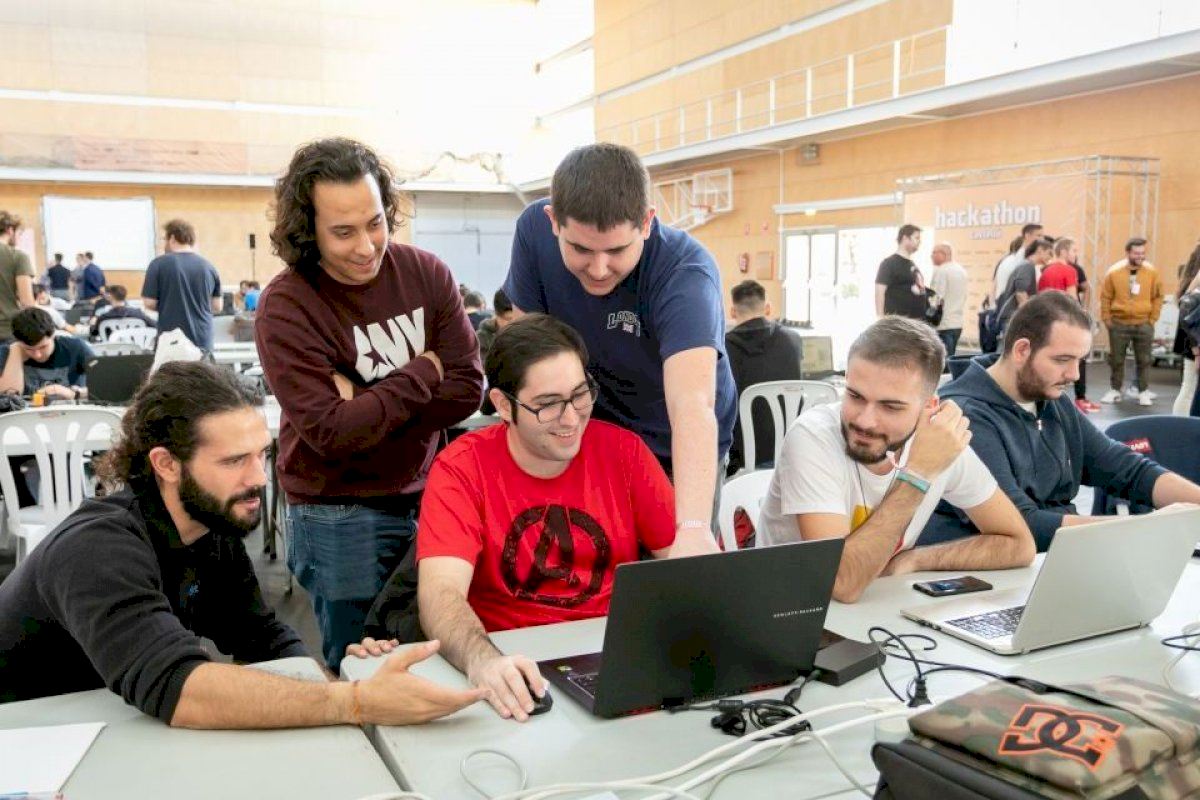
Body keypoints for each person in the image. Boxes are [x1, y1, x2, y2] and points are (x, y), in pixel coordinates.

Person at [0, 360, 486, 726]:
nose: (259, 478)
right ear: (166, 464)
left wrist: (341, 681)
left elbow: (261, 638)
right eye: (234, 461)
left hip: (108, 719)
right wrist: (354, 703)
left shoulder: (211, 526)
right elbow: (180, 688)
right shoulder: (98, 549)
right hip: (29, 738)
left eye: (261, 455)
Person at [398, 314, 708, 722]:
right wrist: (483, 660)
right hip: (513, 658)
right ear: (503, 405)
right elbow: (440, 595)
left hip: (611, 654)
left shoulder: (624, 453)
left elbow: (688, 567)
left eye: (580, 395)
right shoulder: (462, 468)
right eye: (547, 405)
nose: (571, 418)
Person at [256, 137, 483, 670]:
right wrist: (423, 370)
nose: (366, 246)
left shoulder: (425, 273)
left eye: (375, 223)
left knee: (433, 649)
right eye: (343, 232)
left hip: (426, 494)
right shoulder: (286, 306)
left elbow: (467, 389)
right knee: (360, 665)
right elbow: (331, 434)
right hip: (336, 510)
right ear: (308, 231)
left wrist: (362, 402)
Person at [503, 143, 735, 540]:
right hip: (588, 435)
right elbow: (531, 356)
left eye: (616, 250)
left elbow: (692, 406)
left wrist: (694, 529)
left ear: (646, 223)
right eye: (580, 249)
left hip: (671, 446)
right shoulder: (532, 231)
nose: (598, 269)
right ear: (553, 221)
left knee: (678, 561)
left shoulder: (685, 272)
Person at [756, 316, 1034, 604]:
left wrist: (917, 559)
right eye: (855, 396)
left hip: (878, 609)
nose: (865, 420)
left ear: (929, 408)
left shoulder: (938, 440)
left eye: (890, 407)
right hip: (792, 610)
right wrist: (918, 474)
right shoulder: (813, 436)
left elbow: (1019, 545)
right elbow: (841, 583)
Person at [924, 293, 1200, 552]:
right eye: (1062, 360)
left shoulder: (1051, 399)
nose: (1074, 374)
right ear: (1022, 350)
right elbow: (1020, 524)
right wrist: (1144, 528)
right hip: (996, 570)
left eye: (1079, 360)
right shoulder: (964, 414)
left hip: (1056, 557)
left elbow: (1128, 470)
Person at [724, 278, 803, 472]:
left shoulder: (723, 348)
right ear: (767, 309)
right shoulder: (793, 339)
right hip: (789, 453)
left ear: (732, 312)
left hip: (740, 461)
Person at [1100, 237, 1163, 406]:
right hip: (1118, 323)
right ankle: (1115, 390)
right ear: (1128, 252)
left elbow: (1158, 296)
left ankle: (1142, 391)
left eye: (1143, 253)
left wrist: (1153, 319)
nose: (1140, 256)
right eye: (1136, 253)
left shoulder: (1152, 272)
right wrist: (1107, 319)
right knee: (1116, 359)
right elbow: (1105, 297)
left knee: (1144, 360)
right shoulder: (1114, 272)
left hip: (1144, 323)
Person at [142, 219, 223, 351]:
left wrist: (170, 306)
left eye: (165, 239)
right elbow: (217, 306)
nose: (164, 244)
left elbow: (149, 303)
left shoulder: (158, 264)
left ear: (172, 238)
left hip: (171, 340)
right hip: (202, 340)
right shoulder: (209, 267)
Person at [0, 308, 92, 399]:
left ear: (53, 335)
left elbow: (100, 387)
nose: (37, 355)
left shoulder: (75, 348)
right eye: (29, 349)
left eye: (43, 347)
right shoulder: (8, 352)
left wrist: (75, 394)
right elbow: (8, 397)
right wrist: (16, 350)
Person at [995, 236, 1051, 340]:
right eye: (1049, 253)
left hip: (1012, 317)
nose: (1050, 257)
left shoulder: (1026, 265)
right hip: (1013, 318)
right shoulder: (1027, 266)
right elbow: (1020, 292)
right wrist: (1027, 317)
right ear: (1039, 250)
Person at [874, 224, 925, 320]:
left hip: (915, 322)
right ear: (905, 238)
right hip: (898, 323)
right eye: (917, 238)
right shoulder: (889, 263)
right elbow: (879, 293)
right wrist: (880, 319)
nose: (919, 241)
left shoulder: (912, 264)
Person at [1172, 244, 1200, 415]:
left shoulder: (1190, 277)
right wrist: (1197, 352)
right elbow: (1186, 306)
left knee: (1188, 387)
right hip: (1194, 337)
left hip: (1191, 336)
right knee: (1189, 388)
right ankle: (1181, 426)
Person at [0, 211, 35, 343]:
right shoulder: (18, 257)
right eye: (19, 233)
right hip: (7, 331)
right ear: (10, 230)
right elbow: (27, 302)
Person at [929, 243, 967, 357]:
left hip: (943, 325)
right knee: (950, 359)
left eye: (934, 252)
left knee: (942, 362)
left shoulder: (942, 271)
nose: (931, 256)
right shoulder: (961, 270)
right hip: (957, 323)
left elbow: (937, 298)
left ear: (944, 254)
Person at [993, 224, 1044, 303]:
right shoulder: (1021, 260)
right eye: (1039, 235)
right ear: (1027, 235)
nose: (1042, 239)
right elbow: (1020, 292)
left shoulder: (1013, 258)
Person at [89, 284, 156, 340]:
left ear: (110, 297)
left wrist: (92, 325)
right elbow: (154, 325)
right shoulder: (138, 314)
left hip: (111, 350)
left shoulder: (104, 317)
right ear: (125, 296)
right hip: (135, 349)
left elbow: (94, 333)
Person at [476, 288, 515, 361]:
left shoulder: (531, 334)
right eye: (509, 319)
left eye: (521, 318)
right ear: (496, 315)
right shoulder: (482, 339)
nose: (515, 323)